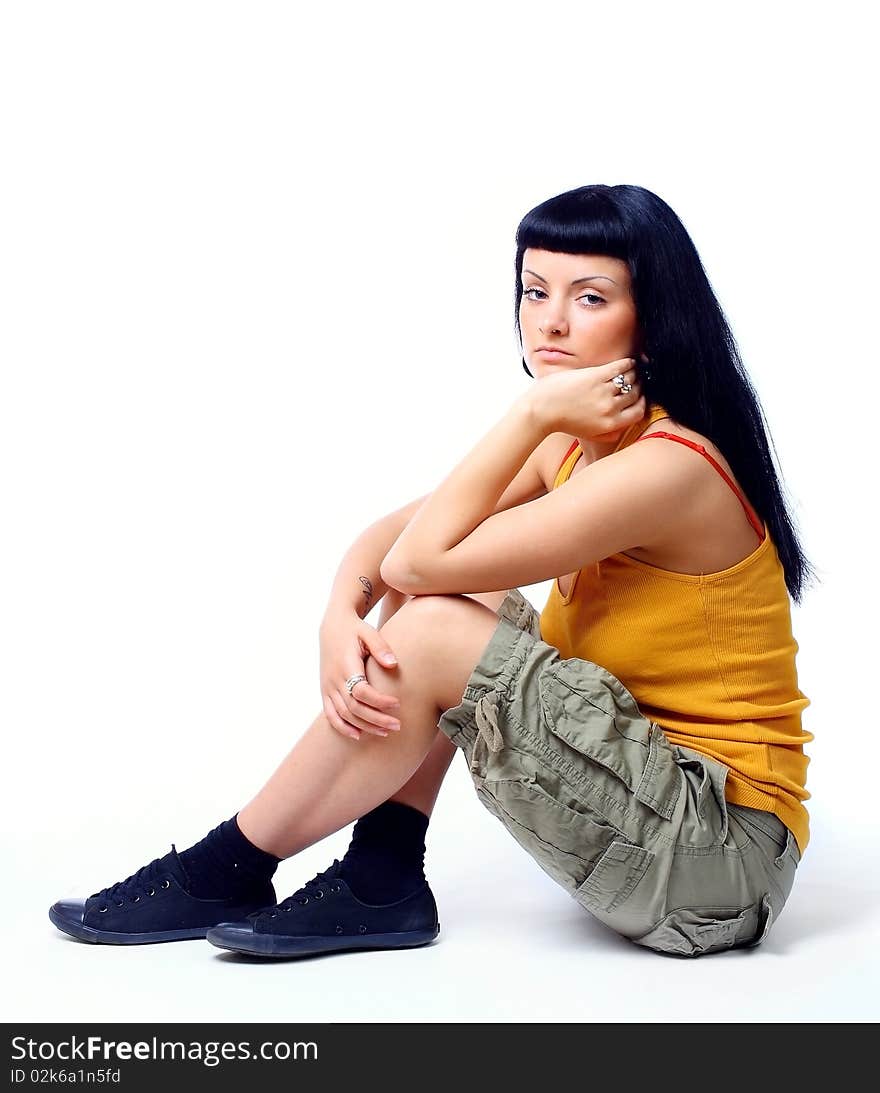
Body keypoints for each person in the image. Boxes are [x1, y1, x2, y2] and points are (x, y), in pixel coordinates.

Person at [49, 183, 815, 958]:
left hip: (720, 856)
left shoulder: (667, 467)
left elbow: (415, 556)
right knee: (456, 586)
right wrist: (337, 616)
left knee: (442, 613)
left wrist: (529, 413)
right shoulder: (580, 444)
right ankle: (383, 874)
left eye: (589, 297)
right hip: (645, 809)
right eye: (534, 290)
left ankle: (228, 865)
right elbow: (399, 546)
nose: (549, 319)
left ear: (653, 316)